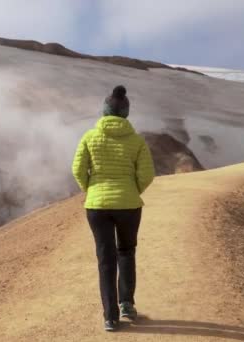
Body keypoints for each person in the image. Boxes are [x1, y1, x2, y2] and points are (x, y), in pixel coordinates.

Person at [71, 85, 155, 332]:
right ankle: (127, 304)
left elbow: (77, 169)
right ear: (126, 113)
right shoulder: (137, 141)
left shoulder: (89, 136)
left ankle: (110, 317)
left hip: (97, 207)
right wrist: (131, 191)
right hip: (129, 205)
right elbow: (147, 174)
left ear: (104, 110)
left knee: (105, 259)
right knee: (126, 252)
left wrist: (91, 190)